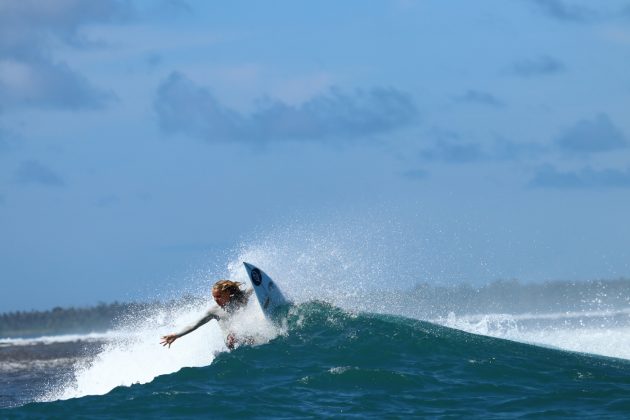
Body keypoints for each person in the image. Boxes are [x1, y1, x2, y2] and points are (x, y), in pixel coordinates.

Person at [160, 280, 253, 350]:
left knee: (249, 334)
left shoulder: (240, 299)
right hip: (230, 341)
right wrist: (177, 335)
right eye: (214, 297)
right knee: (234, 333)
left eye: (219, 296)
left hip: (244, 336)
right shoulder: (214, 311)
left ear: (228, 293)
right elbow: (194, 324)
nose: (216, 299)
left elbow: (254, 287)